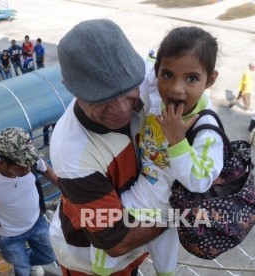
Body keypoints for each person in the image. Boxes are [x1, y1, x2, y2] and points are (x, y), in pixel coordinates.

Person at [99, 26, 224, 276]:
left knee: (164, 268)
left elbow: (200, 181)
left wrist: (178, 142)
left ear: (210, 79)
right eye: (167, 75)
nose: (176, 89)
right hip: (139, 192)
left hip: (170, 209)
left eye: (192, 78)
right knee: (103, 259)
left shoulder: (207, 128)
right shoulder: (156, 93)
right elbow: (139, 76)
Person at [49, 19, 163, 275]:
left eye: (126, 92)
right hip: (89, 264)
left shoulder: (143, 75)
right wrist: (183, 213)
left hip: (135, 250)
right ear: (74, 92)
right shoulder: (71, 152)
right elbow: (115, 241)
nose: (121, 108)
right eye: (103, 99)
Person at [0, 127, 58, 276]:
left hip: (37, 223)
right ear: (3, 162)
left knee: (50, 256)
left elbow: (48, 173)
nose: (29, 168)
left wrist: (74, 194)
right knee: (22, 271)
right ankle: (23, 265)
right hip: (8, 235)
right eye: (22, 168)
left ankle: (24, 261)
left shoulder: (30, 160)